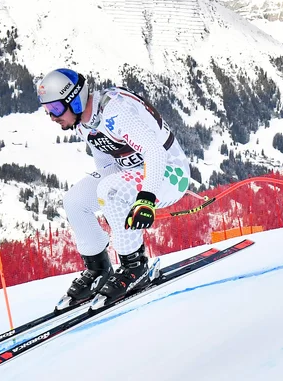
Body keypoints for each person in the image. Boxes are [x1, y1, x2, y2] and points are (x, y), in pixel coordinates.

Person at [36, 68, 191, 307]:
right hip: (134, 172)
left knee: (110, 190)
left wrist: (145, 198)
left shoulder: (116, 111)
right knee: (75, 201)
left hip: (169, 173)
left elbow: (155, 152)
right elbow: (108, 163)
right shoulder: (83, 123)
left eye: (56, 109)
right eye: (48, 111)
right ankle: (99, 270)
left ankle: (135, 267)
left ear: (76, 100)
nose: (53, 116)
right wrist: (108, 202)